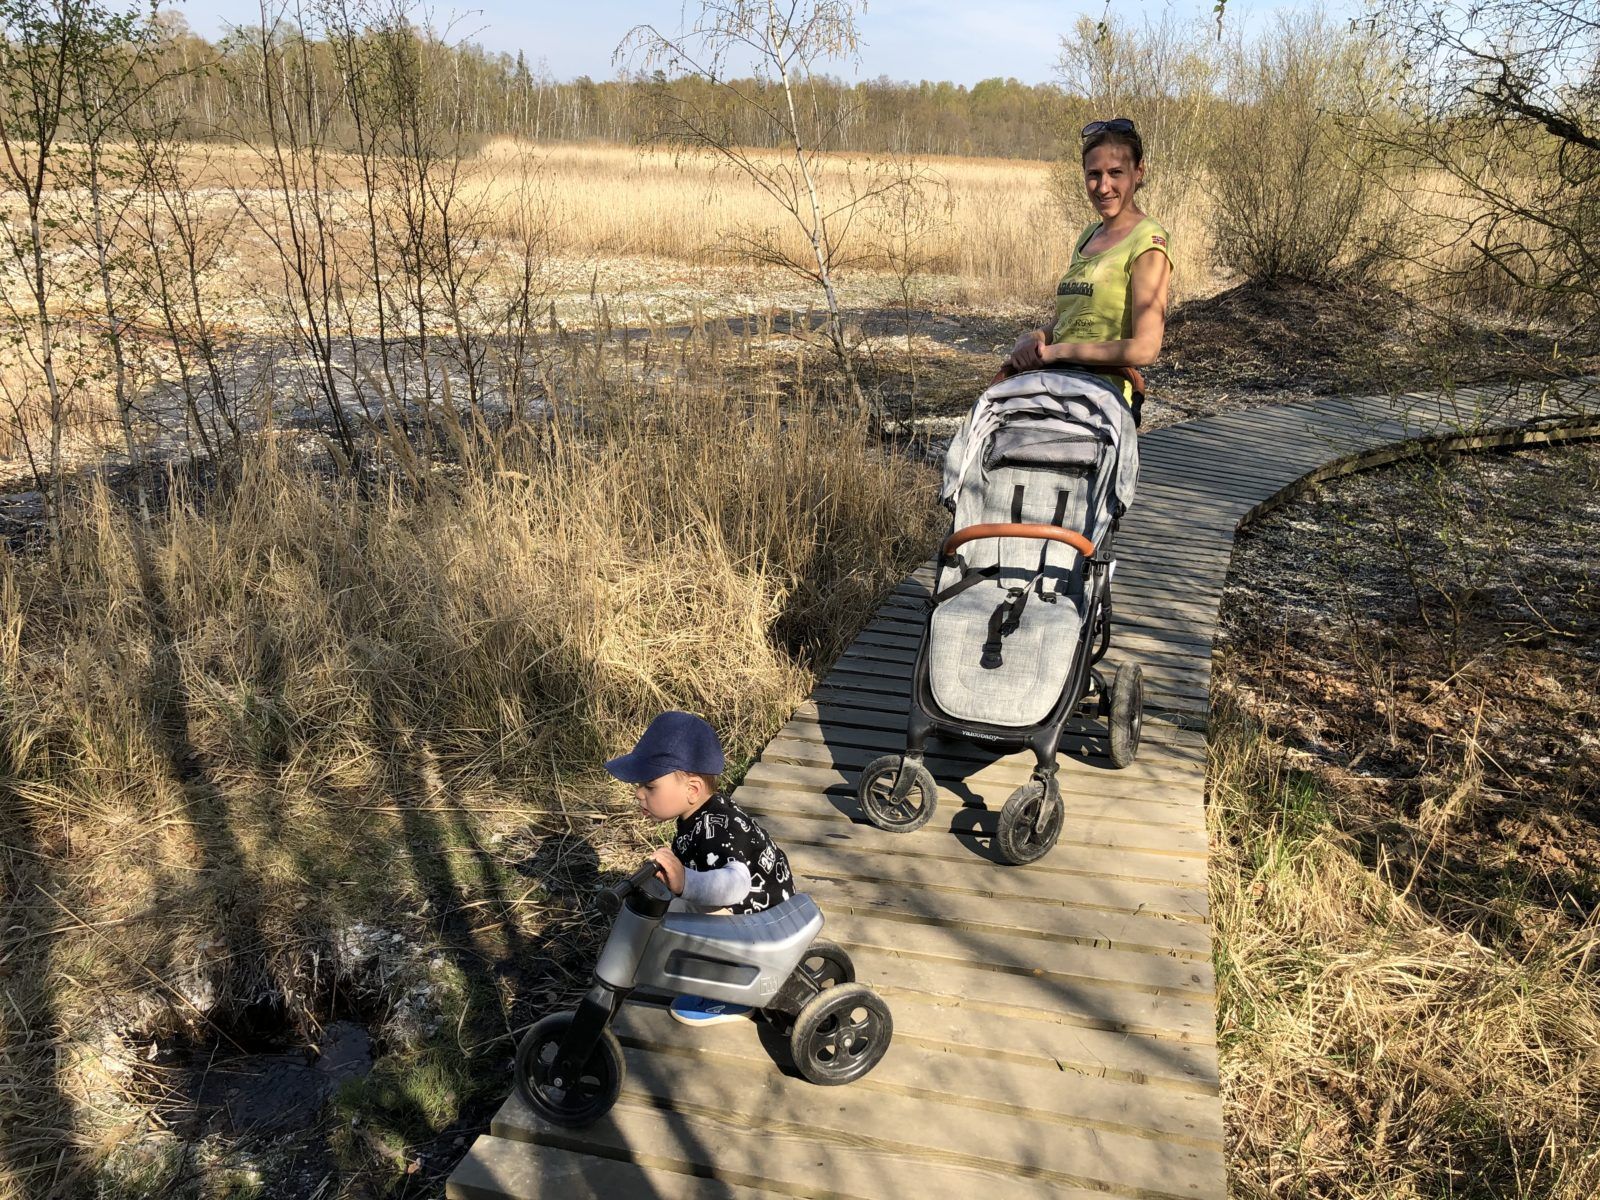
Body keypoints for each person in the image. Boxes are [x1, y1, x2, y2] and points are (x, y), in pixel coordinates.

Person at [604, 710, 795, 1028]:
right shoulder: (701, 814)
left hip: (759, 926)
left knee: (674, 919)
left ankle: (732, 992)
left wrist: (684, 879)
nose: (639, 793)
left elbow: (735, 885)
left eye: (650, 786)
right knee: (668, 911)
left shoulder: (716, 828)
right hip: (759, 912)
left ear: (692, 790)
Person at [1005, 117, 1172, 411]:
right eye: (1094, 174)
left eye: (1115, 173)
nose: (1103, 186)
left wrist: (1058, 353)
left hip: (1100, 397)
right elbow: (1071, 317)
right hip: (1056, 380)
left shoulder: (1148, 241)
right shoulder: (1088, 236)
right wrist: (1035, 337)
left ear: (1139, 172)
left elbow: (1146, 348)